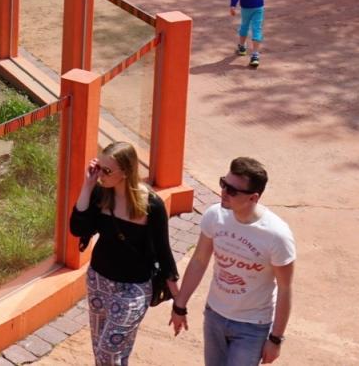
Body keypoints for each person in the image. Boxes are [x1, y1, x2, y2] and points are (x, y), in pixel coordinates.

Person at [170, 157, 295, 366]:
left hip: (252, 326)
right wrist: (180, 304)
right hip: (214, 316)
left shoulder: (276, 236)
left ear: (253, 198)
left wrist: (276, 339)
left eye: (232, 190)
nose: (224, 192)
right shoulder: (215, 216)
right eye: (223, 184)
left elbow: (285, 288)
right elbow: (199, 261)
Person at [71, 141, 180, 365]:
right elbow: (78, 228)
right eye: (99, 167)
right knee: (106, 352)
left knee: (107, 352)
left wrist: (179, 303)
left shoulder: (151, 205)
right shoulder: (101, 193)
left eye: (107, 171)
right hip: (99, 281)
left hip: (134, 288)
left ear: (126, 171)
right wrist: (87, 185)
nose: (101, 174)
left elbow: (164, 253)